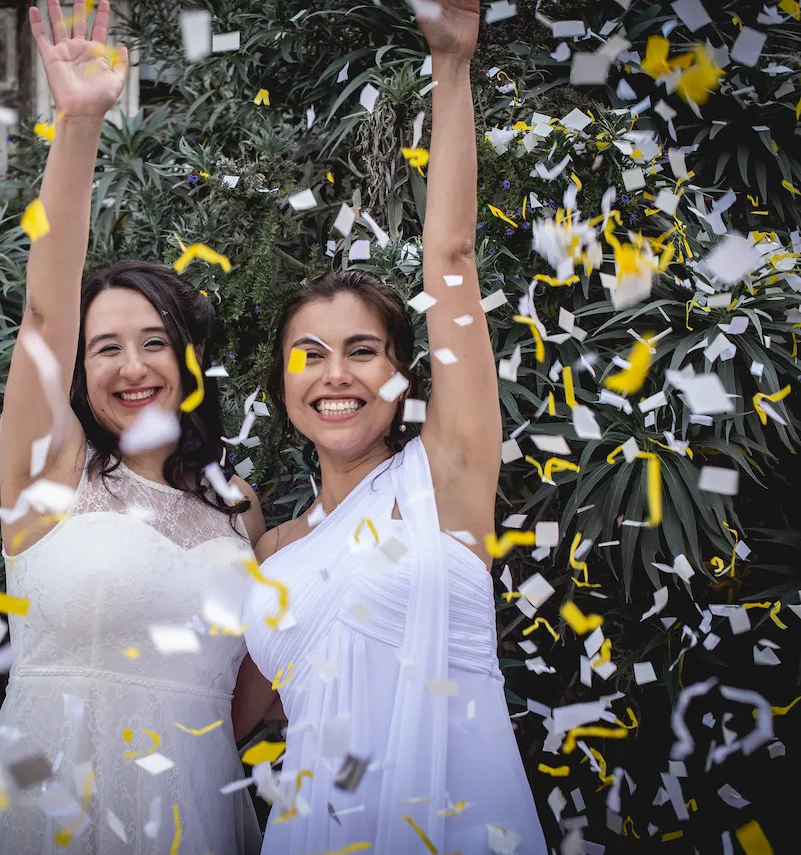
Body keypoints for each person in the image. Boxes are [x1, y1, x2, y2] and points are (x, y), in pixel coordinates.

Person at [237, 0, 545, 851]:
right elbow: (217, 727)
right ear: (282, 382)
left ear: (403, 375)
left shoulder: (445, 476)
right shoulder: (271, 551)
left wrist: (451, 68)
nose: (336, 375)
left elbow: (451, 258)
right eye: (310, 355)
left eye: (363, 351)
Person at [0, 1, 264, 852]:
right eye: (105, 349)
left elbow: (254, 689)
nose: (132, 367)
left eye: (154, 343)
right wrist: (80, 124)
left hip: (192, 818)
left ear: (191, 358)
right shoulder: (49, 470)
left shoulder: (241, 507)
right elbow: (42, 315)